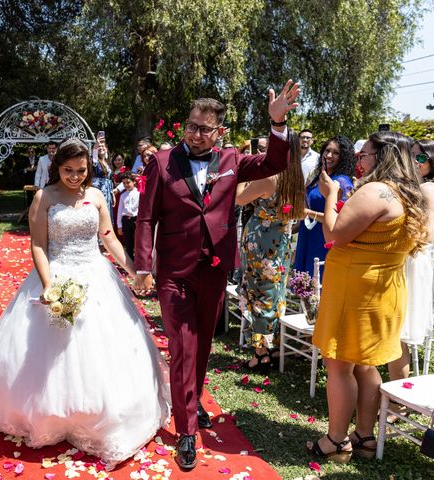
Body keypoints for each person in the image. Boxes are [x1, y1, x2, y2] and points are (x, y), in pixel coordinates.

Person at [0, 138, 171, 469]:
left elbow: (108, 237)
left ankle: (98, 411)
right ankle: (53, 413)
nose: (75, 177)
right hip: (58, 276)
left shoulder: (96, 196)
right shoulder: (45, 197)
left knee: (102, 348)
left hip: (96, 275)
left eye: (81, 171)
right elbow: (38, 245)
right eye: (68, 170)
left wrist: (134, 270)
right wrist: (49, 284)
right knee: (56, 350)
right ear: (57, 168)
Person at [134, 80, 300, 470]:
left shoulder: (231, 161)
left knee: (203, 344)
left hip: (214, 269)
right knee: (182, 346)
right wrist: (143, 266)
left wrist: (277, 126)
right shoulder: (161, 161)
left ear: (219, 131)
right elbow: (146, 217)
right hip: (174, 271)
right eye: (191, 125)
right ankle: (187, 430)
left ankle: (191, 403)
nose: (194, 133)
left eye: (204, 128)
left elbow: (275, 164)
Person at [308, 131, 427, 462]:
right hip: (382, 288)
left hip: (356, 291)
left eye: (364, 155)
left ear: (382, 157)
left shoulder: (377, 191)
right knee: (365, 363)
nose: (359, 160)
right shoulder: (408, 194)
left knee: (339, 364)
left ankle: (335, 440)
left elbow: (333, 233)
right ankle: (364, 436)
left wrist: (330, 195)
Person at [236, 132, 306, 371]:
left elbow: (239, 199)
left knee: (258, 296)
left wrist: (242, 173)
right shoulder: (297, 178)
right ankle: (273, 346)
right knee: (275, 295)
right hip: (282, 241)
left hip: (260, 243)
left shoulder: (269, 178)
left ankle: (260, 352)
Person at [387, 139, 434, 392]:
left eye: (420, 158)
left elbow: (428, 232)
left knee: (398, 330)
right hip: (403, 256)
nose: (413, 161)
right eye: (410, 156)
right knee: (392, 329)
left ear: (433, 163)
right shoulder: (413, 186)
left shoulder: (430, 188)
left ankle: (399, 398)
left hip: (412, 259)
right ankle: (395, 392)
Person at [293, 136, 355, 278]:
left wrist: (308, 213)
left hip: (322, 239)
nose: (329, 155)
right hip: (307, 233)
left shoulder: (341, 182)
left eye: (335, 153)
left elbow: (340, 219)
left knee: (318, 286)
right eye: (327, 150)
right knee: (305, 287)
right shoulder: (319, 176)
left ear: (344, 157)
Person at [117, 171, 140, 259]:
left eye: (128, 182)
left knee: (137, 241)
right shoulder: (123, 195)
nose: (126, 185)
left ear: (134, 181)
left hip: (136, 220)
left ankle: (139, 261)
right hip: (126, 220)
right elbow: (119, 211)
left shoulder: (139, 193)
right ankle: (130, 261)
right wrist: (119, 225)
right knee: (128, 242)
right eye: (124, 183)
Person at [92, 135, 114, 221]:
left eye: (103, 146)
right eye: (99, 147)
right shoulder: (95, 161)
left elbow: (110, 179)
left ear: (106, 149)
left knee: (107, 215)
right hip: (99, 190)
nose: (101, 148)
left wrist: (112, 193)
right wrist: (95, 146)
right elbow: (94, 159)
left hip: (108, 192)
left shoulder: (107, 162)